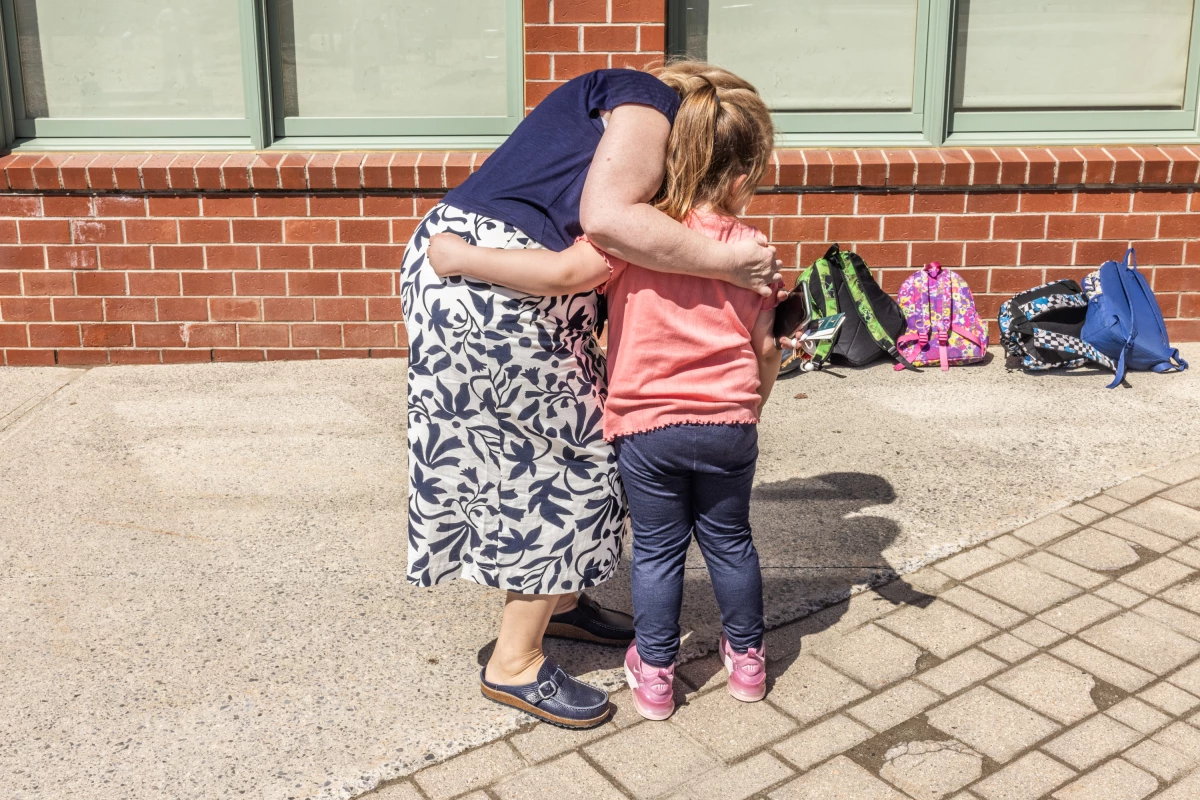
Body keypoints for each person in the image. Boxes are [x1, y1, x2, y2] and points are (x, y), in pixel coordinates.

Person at [401, 62, 782, 730]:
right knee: (568, 470)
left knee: (594, 460)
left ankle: (564, 600)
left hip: (487, 285)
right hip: (495, 291)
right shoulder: (645, 108)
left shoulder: (639, 182)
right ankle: (513, 662)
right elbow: (597, 233)